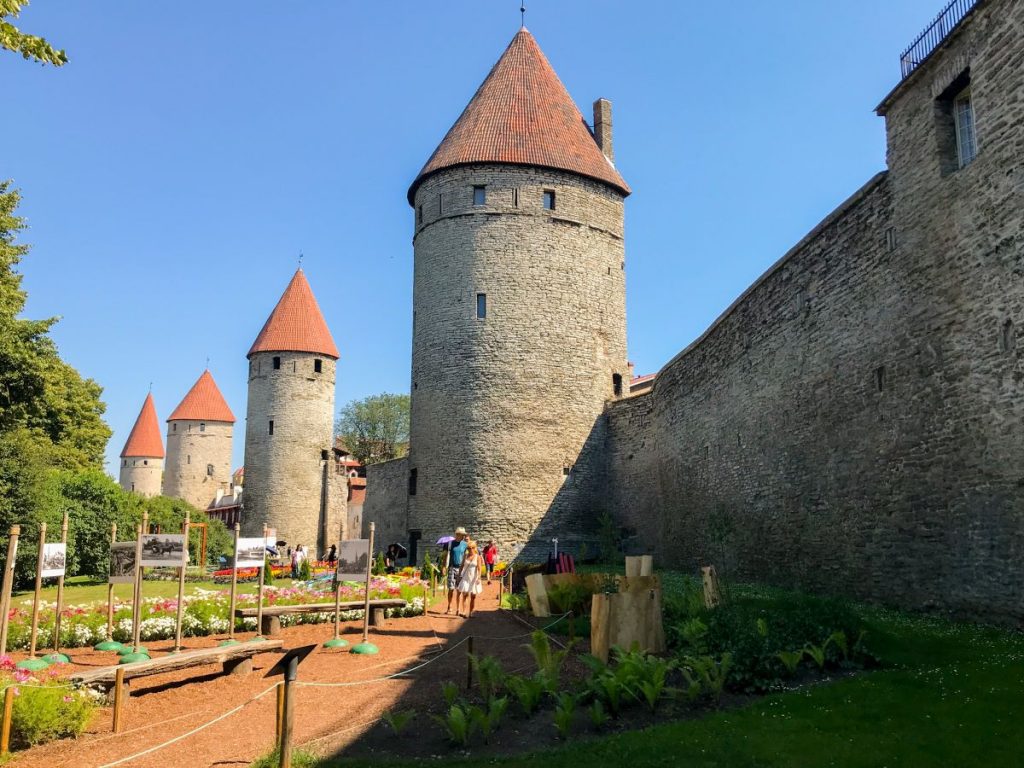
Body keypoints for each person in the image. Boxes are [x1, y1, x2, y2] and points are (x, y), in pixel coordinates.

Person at [456, 540, 484, 617]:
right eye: (469, 548)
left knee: (473, 596)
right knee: (465, 595)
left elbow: (479, 568)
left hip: (474, 578)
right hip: (466, 578)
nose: (470, 549)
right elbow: (461, 566)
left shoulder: (477, 557)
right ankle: (464, 612)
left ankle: (471, 612)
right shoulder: (465, 556)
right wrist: (459, 575)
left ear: (475, 548)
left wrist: (479, 577)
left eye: (472, 547)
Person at [444, 527, 468, 615]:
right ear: (457, 535)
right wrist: (444, 566)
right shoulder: (450, 544)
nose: (463, 537)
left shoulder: (465, 545)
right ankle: (449, 606)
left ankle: (458, 609)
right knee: (451, 589)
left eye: (464, 535)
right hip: (452, 568)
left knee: (459, 590)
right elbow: (446, 555)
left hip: (461, 569)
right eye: (462, 535)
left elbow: (466, 557)